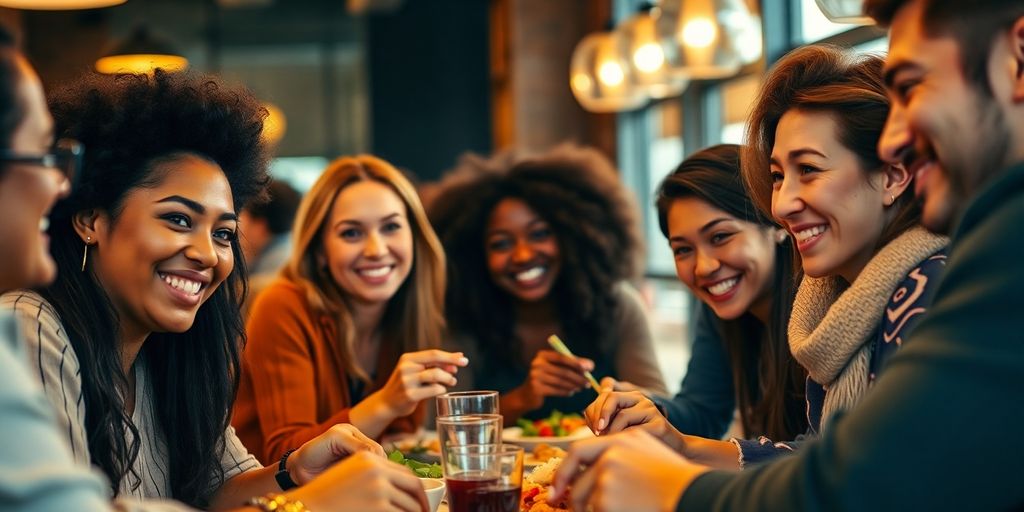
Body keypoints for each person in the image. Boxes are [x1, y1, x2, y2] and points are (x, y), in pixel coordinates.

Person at [548, 1, 1024, 510]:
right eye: (777, 176)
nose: (782, 204)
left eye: (911, 87)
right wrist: (682, 447)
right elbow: (821, 457)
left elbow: (872, 483)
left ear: (890, 178)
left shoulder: (937, 283)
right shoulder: (832, 306)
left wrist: (675, 489)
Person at [1, 69, 429, 512]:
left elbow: (222, 488)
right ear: (91, 220)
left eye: (224, 234)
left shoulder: (167, 349)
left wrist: (295, 470)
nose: (208, 254)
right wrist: (309, 506)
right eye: (179, 220)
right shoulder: (32, 329)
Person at [233, 155, 465, 464]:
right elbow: (284, 456)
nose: (376, 250)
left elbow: (398, 442)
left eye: (391, 227)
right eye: (351, 233)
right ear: (320, 252)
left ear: (414, 238)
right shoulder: (282, 305)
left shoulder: (411, 309)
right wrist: (385, 403)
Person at [585, 144, 808, 446]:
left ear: (777, 225)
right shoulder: (722, 308)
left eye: (720, 236)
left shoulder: (817, 308)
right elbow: (703, 415)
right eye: (683, 250)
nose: (704, 267)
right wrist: (646, 405)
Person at [428, 145, 667, 423]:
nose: (523, 255)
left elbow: (662, 405)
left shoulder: (617, 304)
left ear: (574, 236)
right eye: (501, 244)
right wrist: (523, 398)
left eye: (539, 234)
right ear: (474, 256)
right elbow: (442, 425)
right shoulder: (461, 318)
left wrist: (628, 396)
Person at [239, 178, 301, 279]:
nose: (238, 226)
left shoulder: (266, 273)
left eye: (242, 214)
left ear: (260, 227)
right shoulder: (288, 251)